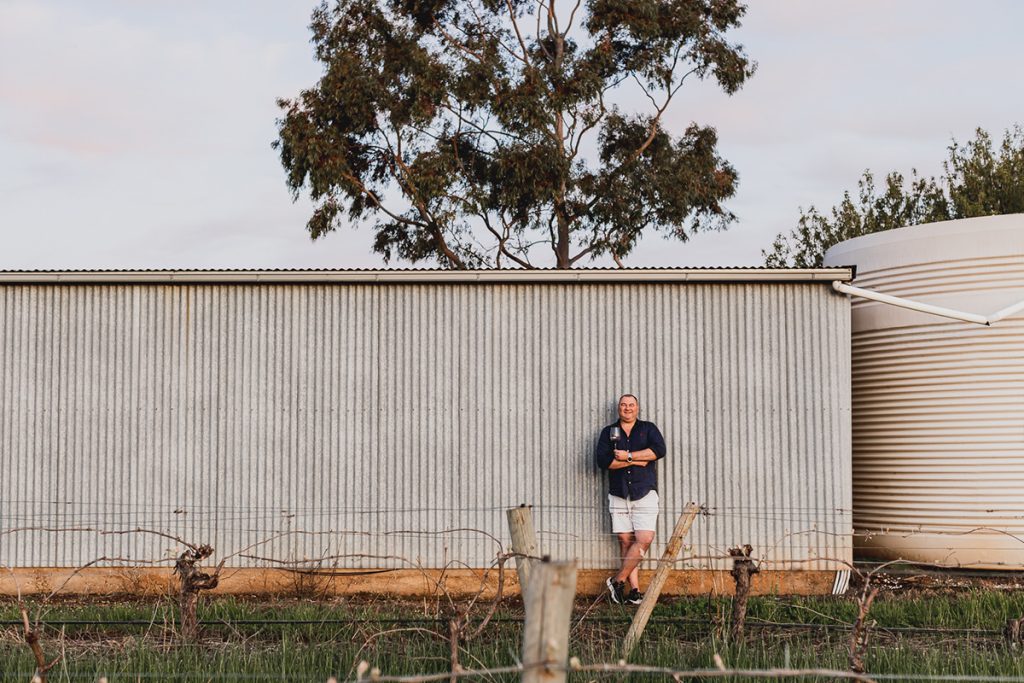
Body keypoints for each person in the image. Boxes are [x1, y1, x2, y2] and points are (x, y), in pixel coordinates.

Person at [594, 394, 667, 605]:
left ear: (637, 408)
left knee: (643, 539)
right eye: (623, 405)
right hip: (618, 493)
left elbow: (658, 451)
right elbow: (603, 461)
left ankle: (617, 580)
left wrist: (626, 457)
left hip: (644, 492)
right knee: (625, 541)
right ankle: (634, 591)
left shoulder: (648, 428)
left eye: (631, 405)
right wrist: (638, 459)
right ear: (618, 408)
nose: (627, 408)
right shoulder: (609, 432)